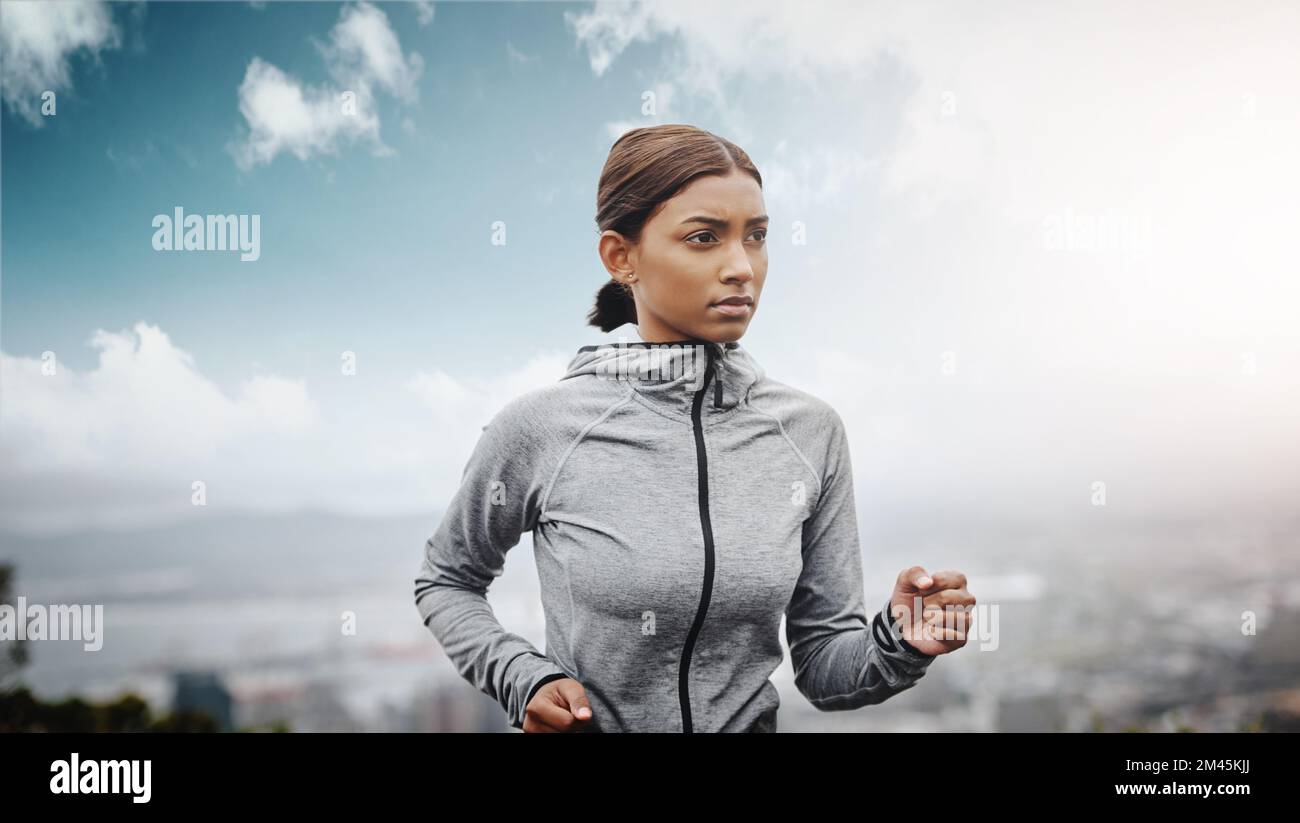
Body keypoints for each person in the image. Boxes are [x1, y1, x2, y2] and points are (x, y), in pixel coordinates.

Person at [414, 124, 975, 733]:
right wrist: (526, 677)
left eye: (756, 237)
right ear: (620, 257)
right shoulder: (543, 427)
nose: (742, 267)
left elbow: (821, 666)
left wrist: (899, 641)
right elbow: (447, 580)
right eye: (704, 237)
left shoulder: (810, 433)